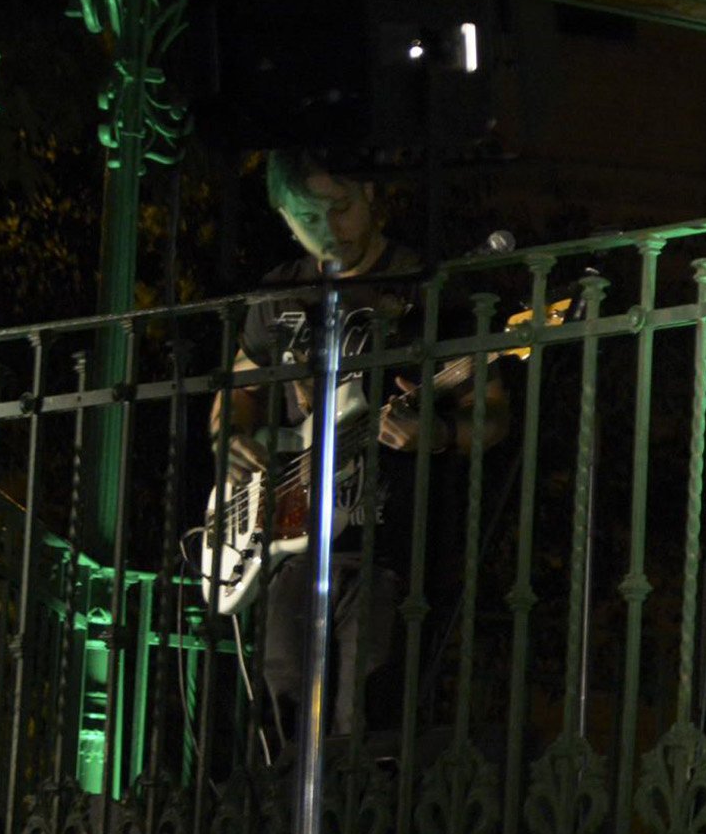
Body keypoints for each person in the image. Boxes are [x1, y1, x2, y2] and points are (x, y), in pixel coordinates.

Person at [212, 151, 508, 752]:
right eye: (306, 218)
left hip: (390, 545)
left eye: (340, 208)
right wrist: (230, 439)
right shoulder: (278, 294)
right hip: (291, 539)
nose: (328, 230)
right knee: (283, 703)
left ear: (370, 195)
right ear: (283, 218)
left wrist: (438, 434)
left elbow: (494, 414)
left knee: (366, 713)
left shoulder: (426, 287)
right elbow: (237, 391)